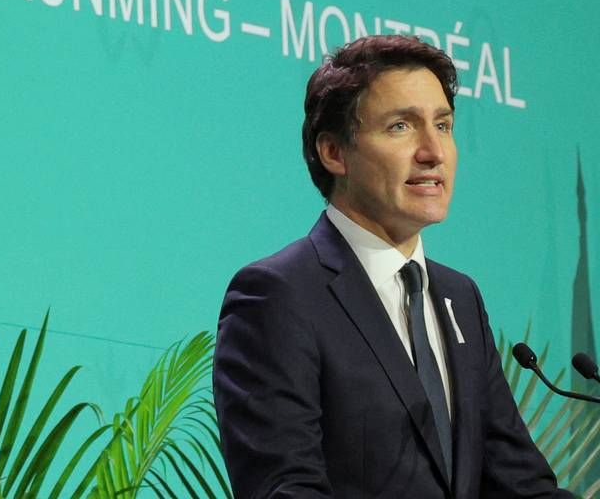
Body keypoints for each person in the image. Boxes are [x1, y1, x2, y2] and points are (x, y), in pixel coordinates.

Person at [214, 35, 570, 497]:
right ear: (334, 153)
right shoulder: (278, 295)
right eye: (401, 126)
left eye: (443, 126)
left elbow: (521, 485)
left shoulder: (459, 298)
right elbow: (285, 486)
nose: (433, 152)